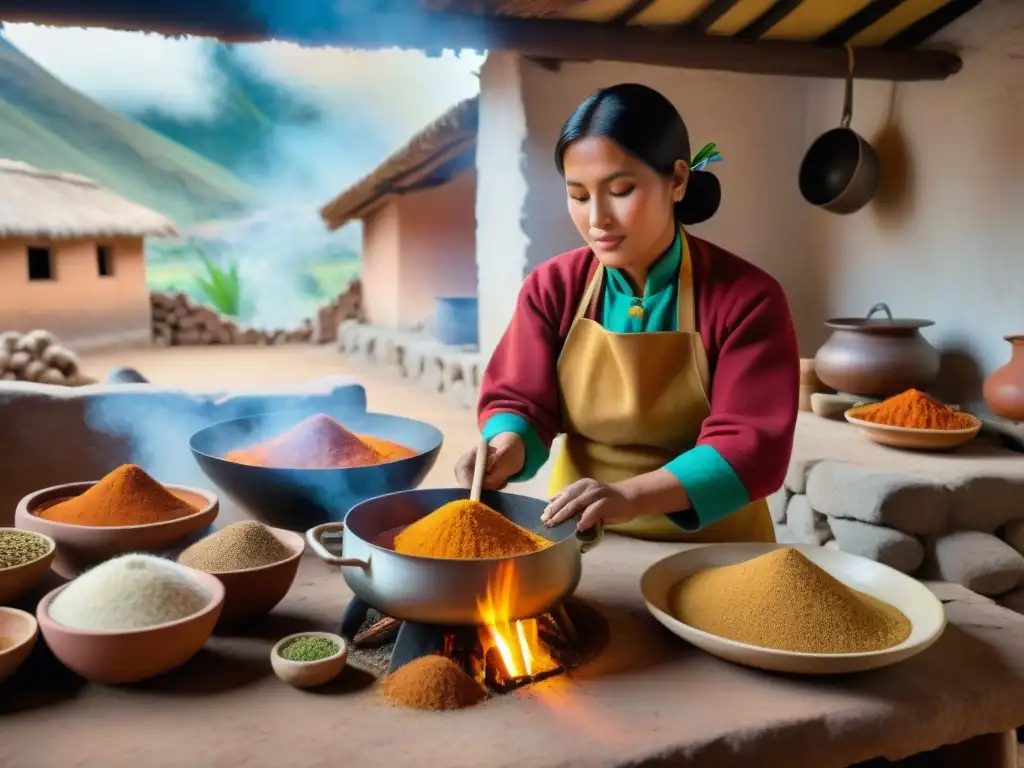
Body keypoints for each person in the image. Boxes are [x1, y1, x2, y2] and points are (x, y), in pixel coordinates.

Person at [454, 83, 799, 542]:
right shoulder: (553, 288)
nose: (597, 218)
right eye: (578, 195)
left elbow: (750, 444)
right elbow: (521, 402)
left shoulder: (747, 299)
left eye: (620, 190)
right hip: (579, 534)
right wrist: (503, 449)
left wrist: (630, 496)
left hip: (716, 550)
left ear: (677, 180)